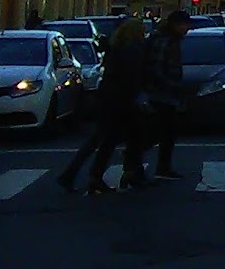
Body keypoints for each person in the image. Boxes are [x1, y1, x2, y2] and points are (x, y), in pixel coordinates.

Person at [57, 17, 147, 195]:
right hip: (120, 102)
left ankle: (89, 176)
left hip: (109, 100)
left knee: (105, 140)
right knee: (124, 137)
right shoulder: (132, 51)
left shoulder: (116, 48)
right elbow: (132, 79)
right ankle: (89, 175)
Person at [138, 11, 191, 181]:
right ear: (175, 25)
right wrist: (171, 85)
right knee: (160, 131)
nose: (186, 29)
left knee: (167, 132)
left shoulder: (169, 40)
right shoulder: (165, 41)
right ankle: (137, 156)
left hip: (165, 92)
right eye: (183, 25)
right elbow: (157, 68)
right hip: (161, 94)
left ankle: (162, 166)